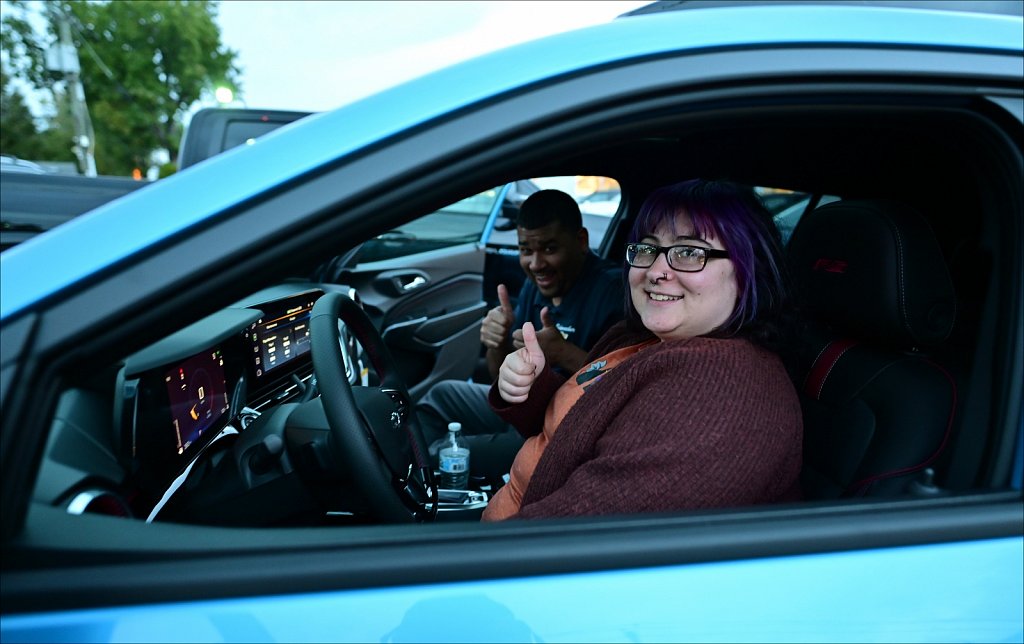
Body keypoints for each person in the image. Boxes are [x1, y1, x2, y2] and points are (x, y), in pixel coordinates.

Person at [482, 179, 803, 521]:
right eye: (647, 249)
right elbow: (576, 431)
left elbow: (575, 536)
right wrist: (529, 383)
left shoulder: (719, 396)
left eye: (689, 252)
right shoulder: (641, 337)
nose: (655, 271)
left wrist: (465, 556)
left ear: (747, 268)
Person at [415, 189, 624, 483]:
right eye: (526, 250)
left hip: (562, 429)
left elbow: (624, 385)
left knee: (443, 454)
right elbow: (498, 379)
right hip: (525, 407)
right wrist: (496, 343)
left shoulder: (613, 293)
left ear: (581, 241)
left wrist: (563, 353)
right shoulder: (536, 285)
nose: (536, 264)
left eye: (549, 249)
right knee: (441, 396)